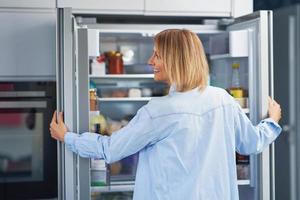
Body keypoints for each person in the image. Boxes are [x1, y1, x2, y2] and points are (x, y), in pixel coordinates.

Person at [50, 29, 282, 200]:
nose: (150, 61)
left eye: (157, 55)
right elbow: (252, 143)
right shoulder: (222, 99)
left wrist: (67, 137)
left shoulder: (158, 111)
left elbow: (109, 150)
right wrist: (271, 121)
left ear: (175, 60)